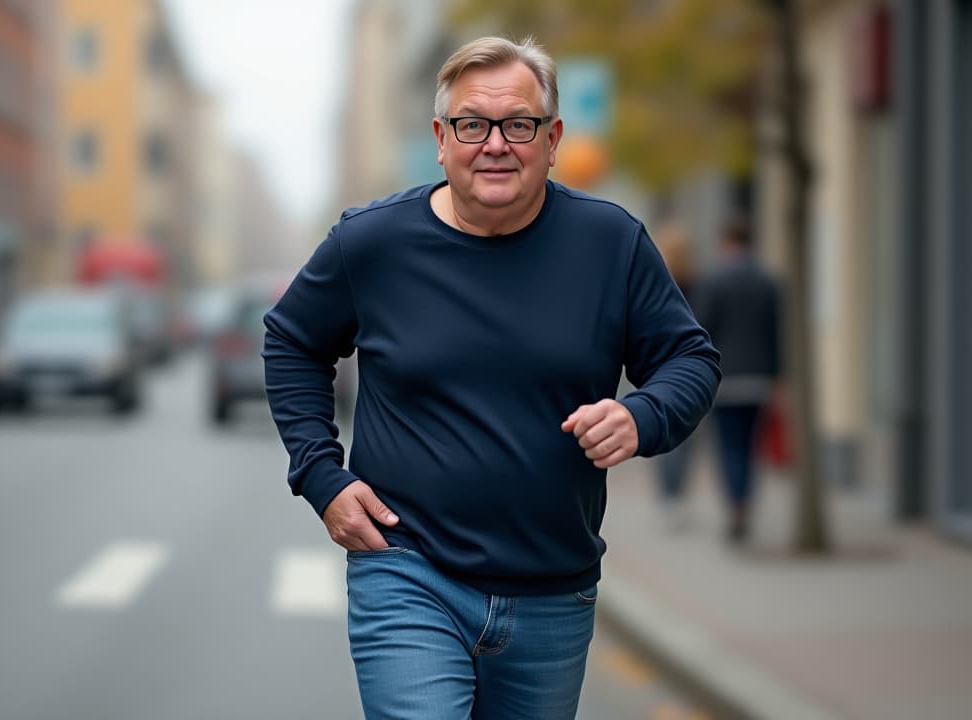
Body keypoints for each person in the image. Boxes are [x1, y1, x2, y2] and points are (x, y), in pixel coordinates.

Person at [262, 36, 721, 720]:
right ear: (442, 140)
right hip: (407, 569)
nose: (496, 144)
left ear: (553, 137)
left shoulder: (609, 243)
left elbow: (691, 358)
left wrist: (640, 416)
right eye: (473, 125)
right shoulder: (373, 244)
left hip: (552, 588)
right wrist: (321, 476)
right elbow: (291, 340)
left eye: (520, 124)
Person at [696, 215, 781, 543]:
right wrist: (776, 377)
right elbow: (775, 333)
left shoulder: (714, 281)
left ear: (726, 242)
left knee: (729, 446)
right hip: (759, 379)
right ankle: (745, 505)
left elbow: (701, 330)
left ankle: (735, 506)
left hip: (724, 379)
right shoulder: (767, 281)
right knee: (749, 446)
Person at [650, 221, 699, 528]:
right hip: (685, 371)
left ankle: (669, 495)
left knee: (659, 429)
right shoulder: (696, 283)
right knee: (686, 438)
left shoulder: (656, 279)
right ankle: (677, 495)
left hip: (656, 368)